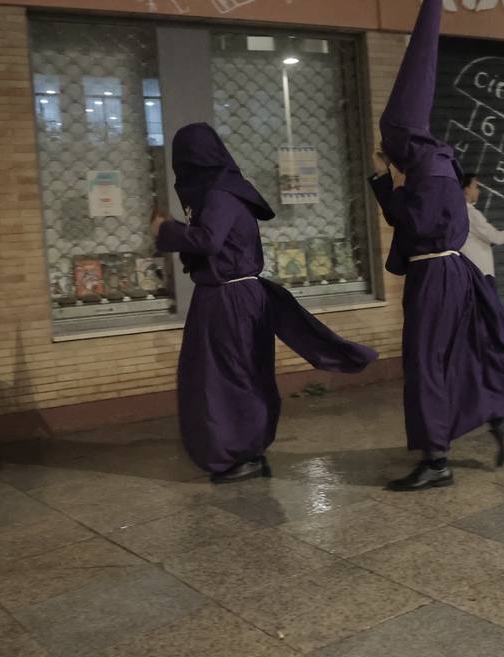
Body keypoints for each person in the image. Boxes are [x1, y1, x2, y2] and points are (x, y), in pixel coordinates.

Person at [369, 0, 504, 491]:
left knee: (426, 367)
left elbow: (423, 224)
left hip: (437, 277)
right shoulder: (430, 166)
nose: (386, 146)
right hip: (443, 275)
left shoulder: (431, 171)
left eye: (390, 139)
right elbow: (411, 219)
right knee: (449, 360)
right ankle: (499, 412)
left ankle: (436, 461)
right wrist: (387, 180)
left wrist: (390, 184)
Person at [152, 123, 376, 483]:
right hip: (221, 297)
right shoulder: (216, 192)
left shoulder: (220, 194)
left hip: (232, 299)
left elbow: (208, 240)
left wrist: (166, 230)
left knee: (233, 376)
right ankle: (241, 449)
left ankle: (245, 452)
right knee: (219, 375)